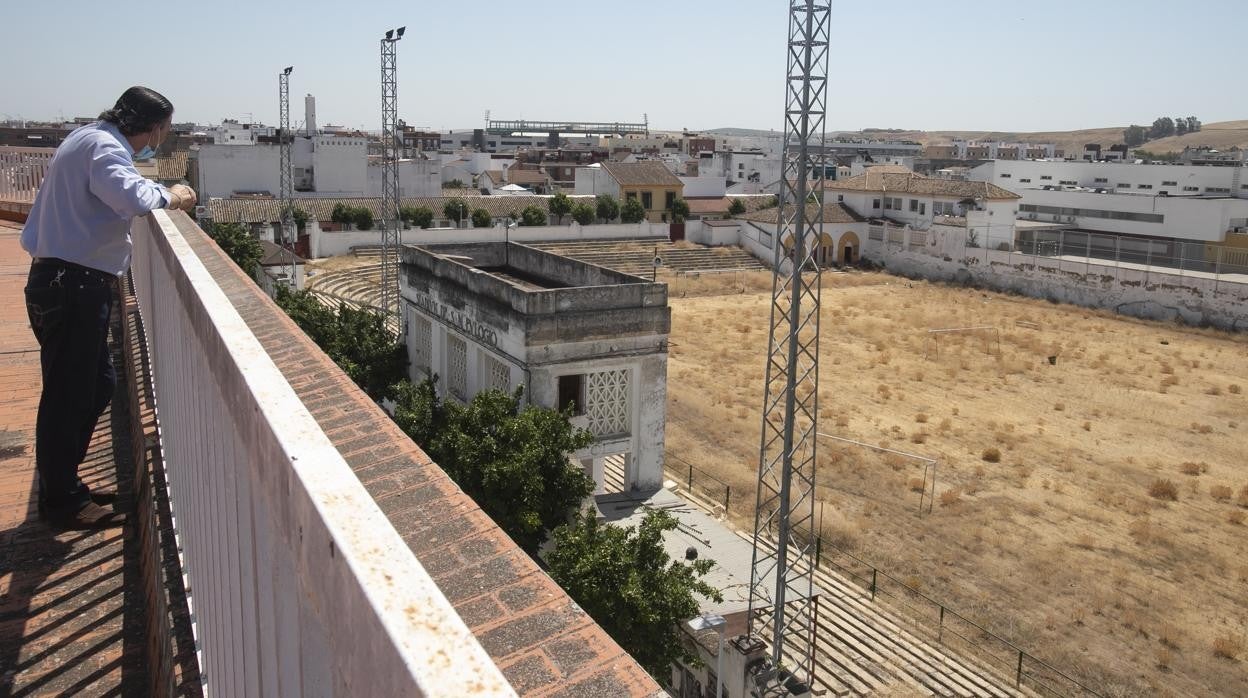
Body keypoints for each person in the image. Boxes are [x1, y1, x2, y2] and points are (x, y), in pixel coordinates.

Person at [21, 86, 197, 528]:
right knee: (68, 395)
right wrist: (173, 196)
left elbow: (125, 185)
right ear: (154, 127)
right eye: (167, 126)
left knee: (95, 385)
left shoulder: (90, 138)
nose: (166, 134)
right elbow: (132, 198)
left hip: (66, 281)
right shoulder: (104, 148)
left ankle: (66, 485)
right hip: (72, 286)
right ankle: (61, 500)